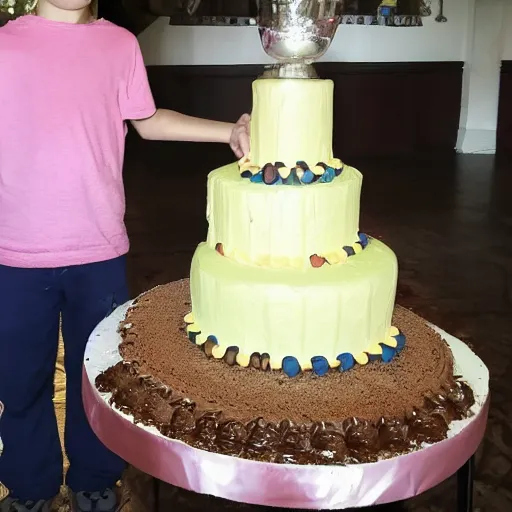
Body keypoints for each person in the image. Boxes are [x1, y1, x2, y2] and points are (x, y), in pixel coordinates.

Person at [0, 1, 250, 511]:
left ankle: (95, 478)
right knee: (20, 384)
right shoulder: (5, 46)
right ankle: (29, 488)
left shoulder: (119, 44)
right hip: (14, 257)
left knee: (99, 379)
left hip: (99, 253)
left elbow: (149, 120)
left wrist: (228, 131)